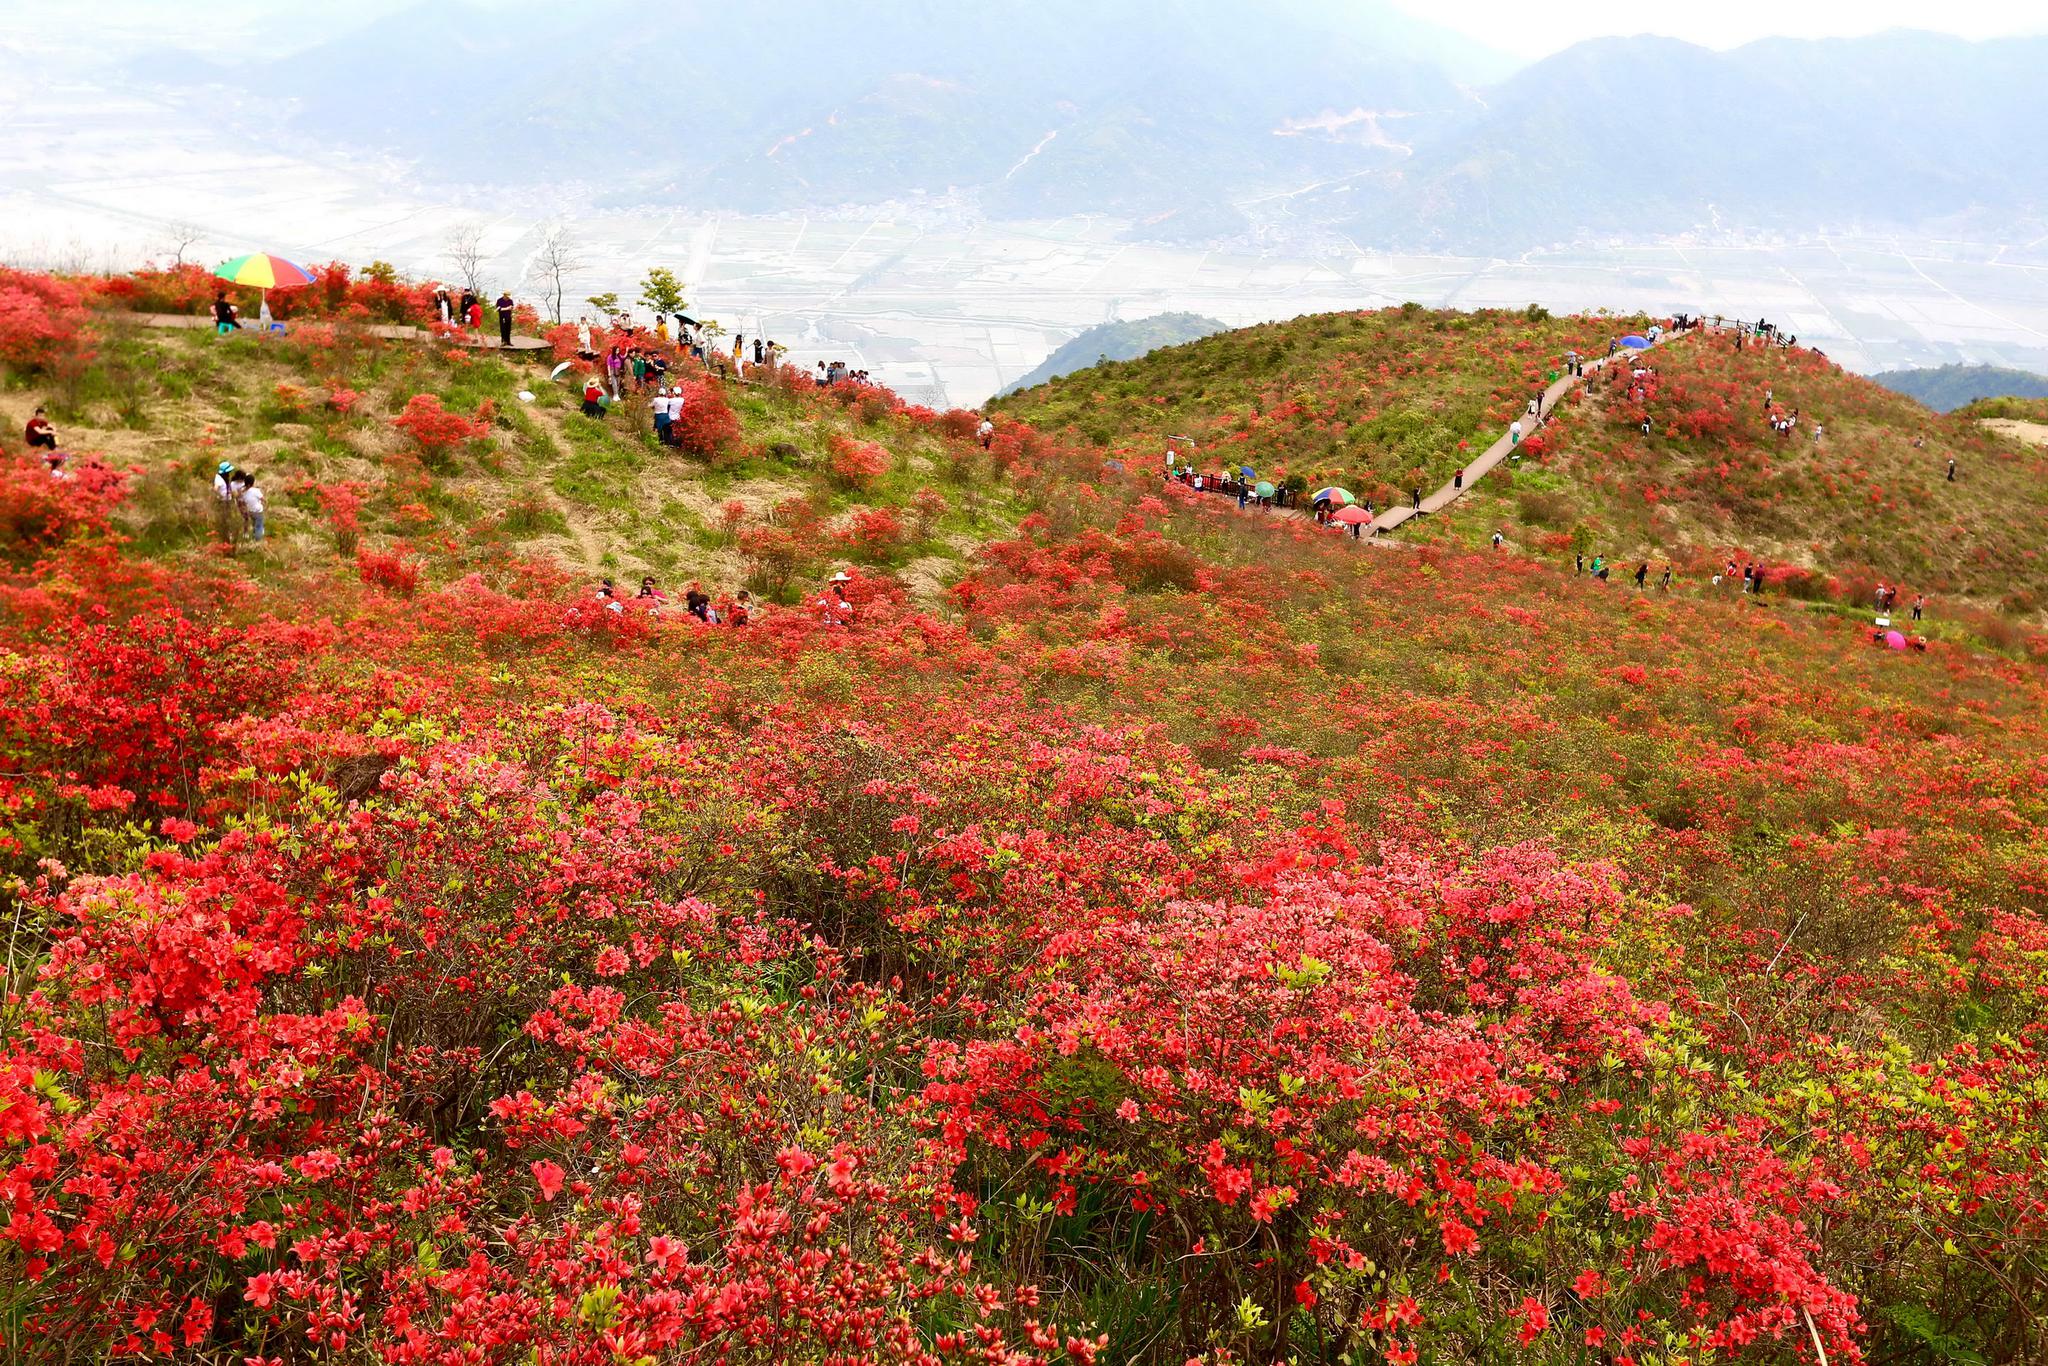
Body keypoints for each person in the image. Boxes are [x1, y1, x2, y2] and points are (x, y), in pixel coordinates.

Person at [236, 470, 266, 542]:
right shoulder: (256, 490)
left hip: (250, 511)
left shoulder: (243, 493)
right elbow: (263, 499)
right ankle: (258, 540)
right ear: (252, 483)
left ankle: (255, 535)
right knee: (259, 525)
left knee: (254, 524)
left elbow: (241, 499)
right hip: (258, 511)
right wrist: (265, 503)